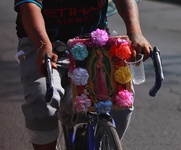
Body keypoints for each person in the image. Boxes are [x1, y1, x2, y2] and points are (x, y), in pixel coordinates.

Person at [14, 0, 152, 150]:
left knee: (119, 98)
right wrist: (43, 45)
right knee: (41, 96)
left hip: (93, 42)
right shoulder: (42, 43)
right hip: (44, 43)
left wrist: (135, 32)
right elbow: (29, 6)